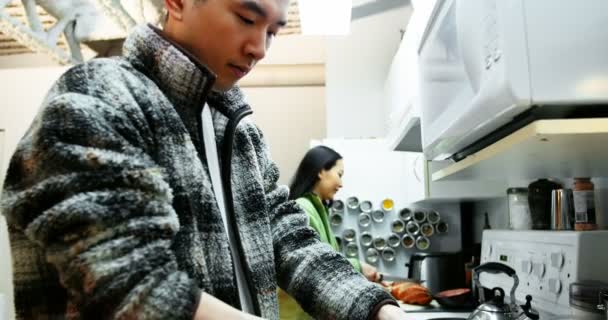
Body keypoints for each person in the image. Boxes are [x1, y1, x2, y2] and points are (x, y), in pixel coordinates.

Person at [1, 0, 407, 319]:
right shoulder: (97, 98)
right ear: (176, 1)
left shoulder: (237, 130)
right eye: (247, 18)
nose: (260, 48)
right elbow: (128, 284)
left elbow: (289, 240)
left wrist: (378, 309)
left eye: (273, 30)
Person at [278, 146, 382, 319]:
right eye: (339, 174)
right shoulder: (303, 208)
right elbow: (315, 265)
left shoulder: (317, 209)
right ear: (321, 171)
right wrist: (358, 266)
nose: (341, 184)